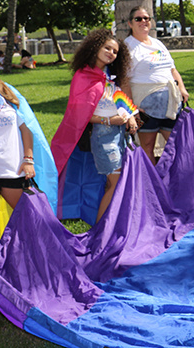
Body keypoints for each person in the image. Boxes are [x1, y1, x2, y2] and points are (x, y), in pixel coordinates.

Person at [53, 29, 138, 222]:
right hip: (103, 136)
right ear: (95, 47)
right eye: (107, 48)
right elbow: (80, 116)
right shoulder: (83, 76)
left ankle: (113, 223)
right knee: (115, 183)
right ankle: (101, 229)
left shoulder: (110, 75)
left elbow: (120, 100)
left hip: (120, 135)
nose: (111, 53)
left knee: (116, 182)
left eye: (115, 51)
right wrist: (109, 120)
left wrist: (131, 116)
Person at [123, 7, 189, 164]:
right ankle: (152, 184)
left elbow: (173, 70)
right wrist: (131, 110)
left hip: (171, 106)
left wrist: (182, 88)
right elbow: (124, 81)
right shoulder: (127, 46)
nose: (143, 21)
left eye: (146, 18)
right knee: (146, 147)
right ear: (130, 23)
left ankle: (175, 183)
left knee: (178, 145)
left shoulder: (158, 43)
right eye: (138, 19)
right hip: (145, 107)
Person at [0, 58, 36, 210]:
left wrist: (28, 160)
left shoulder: (7, 92)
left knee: (28, 217)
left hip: (11, 169)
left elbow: (26, 129)